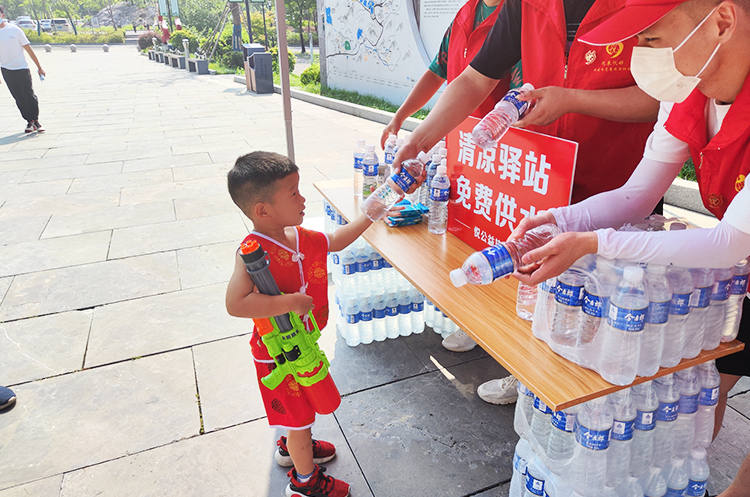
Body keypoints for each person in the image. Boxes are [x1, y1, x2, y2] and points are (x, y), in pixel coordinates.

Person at [504, 0, 750, 480]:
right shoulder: (688, 91)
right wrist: (559, 218)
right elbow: (637, 195)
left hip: (737, 248)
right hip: (741, 270)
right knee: (705, 385)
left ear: (721, 22)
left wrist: (596, 244)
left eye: (651, 38)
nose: (640, 54)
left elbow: (729, 242)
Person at [392, 0, 661, 404]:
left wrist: (571, 100)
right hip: (545, 176)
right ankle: (531, 379)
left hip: (621, 186)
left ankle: (596, 408)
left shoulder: (641, 6)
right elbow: (475, 78)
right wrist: (420, 139)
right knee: (540, 287)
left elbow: (664, 100)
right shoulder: (525, 4)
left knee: (610, 316)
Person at [225, 151, 378, 497]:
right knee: (300, 417)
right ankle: (304, 481)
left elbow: (335, 241)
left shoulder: (296, 235)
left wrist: (371, 214)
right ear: (262, 210)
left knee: (302, 407)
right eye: (293, 193)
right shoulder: (252, 252)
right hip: (279, 356)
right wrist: (290, 302)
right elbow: (236, 303)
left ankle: (292, 446)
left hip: (302, 345)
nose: (303, 198)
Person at [380, 0, 513, 149]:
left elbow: (518, 96)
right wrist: (399, 118)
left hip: (497, 143)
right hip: (458, 139)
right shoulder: (464, 15)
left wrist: (418, 142)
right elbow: (436, 74)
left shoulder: (515, 17)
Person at [0, 5, 45, 133]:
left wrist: (39, 68)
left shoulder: (15, 30)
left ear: (2, 15)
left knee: (29, 95)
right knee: (18, 97)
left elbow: (29, 50)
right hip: (6, 69)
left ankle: (36, 120)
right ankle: (29, 122)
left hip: (21, 68)